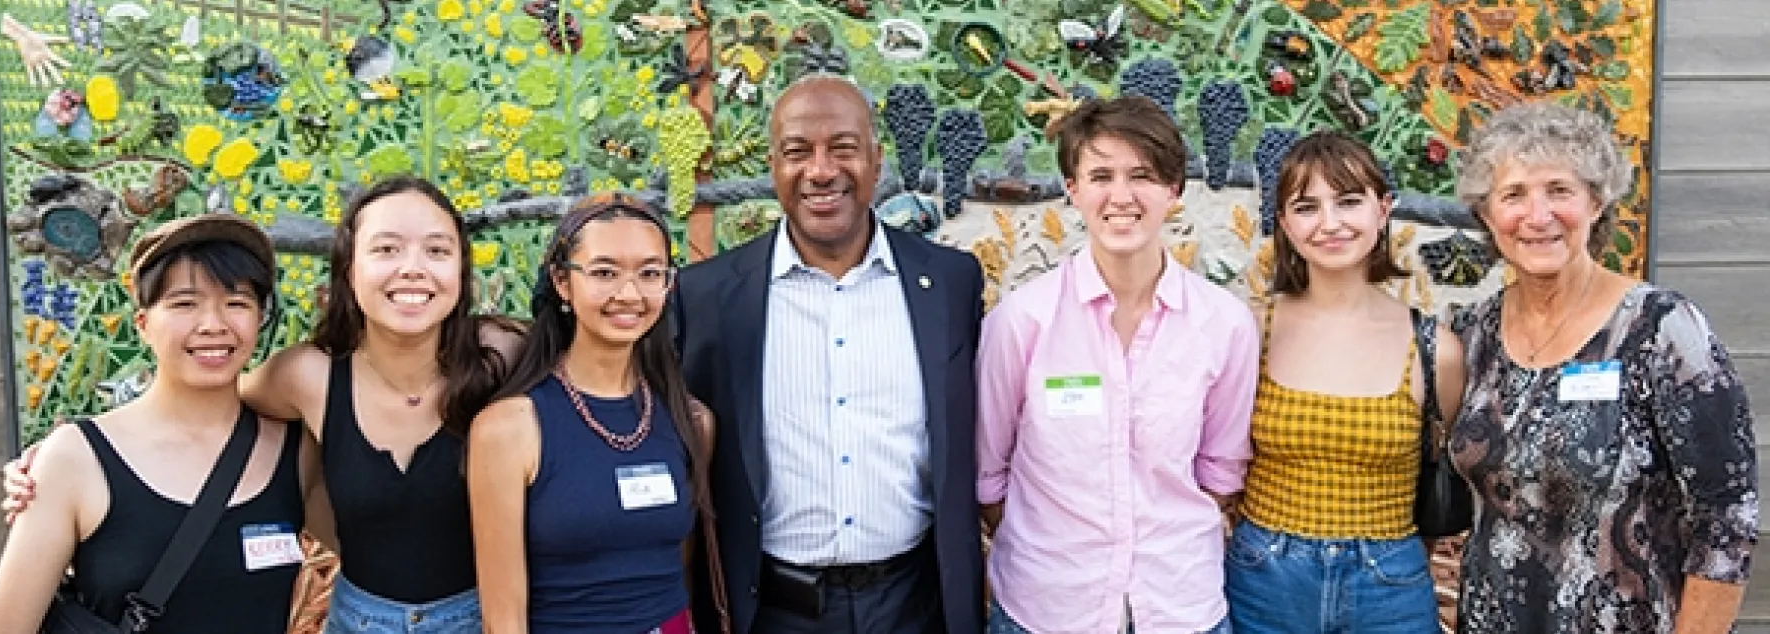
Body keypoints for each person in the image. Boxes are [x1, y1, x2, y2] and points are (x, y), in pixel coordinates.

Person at [0, 176, 526, 633]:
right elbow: (215, 391)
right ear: (348, 271)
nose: (412, 269)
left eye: (437, 251)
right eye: (386, 249)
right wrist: (66, 451)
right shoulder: (305, 378)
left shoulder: (503, 353)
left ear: (462, 270)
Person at [670, 74, 987, 634]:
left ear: (876, 159)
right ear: (773, 166)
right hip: (772, 611)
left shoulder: (950, 284)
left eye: (842, 148)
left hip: (915, 605)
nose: (820, 171)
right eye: (798, 152)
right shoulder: (707, 298)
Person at [1449, 101, 1756, 632]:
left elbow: (1727, 513)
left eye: (1559, 191)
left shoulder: (1660, 328)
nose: (1538, 216)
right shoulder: (1470, 334)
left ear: (1596, 201)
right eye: (1513, 195)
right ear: (1486, 214)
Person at [975, 95, 1257, 634]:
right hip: (1047, 608)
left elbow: (1220, 473)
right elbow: (990, 476)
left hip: (1179, 606)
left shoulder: (1225, 325)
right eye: (1100, 174)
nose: (1121, 196)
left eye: (1143, 175)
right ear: (1072, 189)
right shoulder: (1022, 322)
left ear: (1173, 190)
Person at [0, 214, 322, 633]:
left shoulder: (296, 452)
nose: (213, 324)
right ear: (143, 324)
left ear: (260, 318)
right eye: (185, 303)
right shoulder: (76, 458)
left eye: (236, 303)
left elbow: (386, 549)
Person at [1220, 131, 1464, 632]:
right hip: (1264, 577)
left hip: (1389, 586)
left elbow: (1442, 464)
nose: (1330, 224)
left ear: (1383, 208)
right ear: (1284, 224)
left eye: (1349, 201)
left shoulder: (1434, 347)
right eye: (1307, 207)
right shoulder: (1249, 331)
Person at [467, 193, 728, 633]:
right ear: (562, 282)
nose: (628, 294)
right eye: (604, 272)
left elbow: (680, 569)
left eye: (650, 274)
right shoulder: (510, 429)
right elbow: (503, 618)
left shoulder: (691, 421)